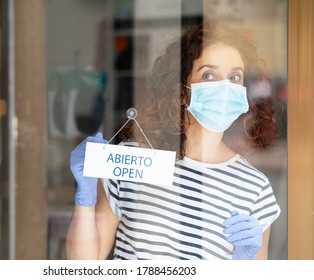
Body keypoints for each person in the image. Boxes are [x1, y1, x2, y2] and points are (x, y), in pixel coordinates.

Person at [66, 22, 281, 260]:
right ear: (180, 91)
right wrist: (85, 198)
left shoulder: (254, 188)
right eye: (209, 74)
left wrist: (245, 264)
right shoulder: (131, 162)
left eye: (234, 76)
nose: (224, 87)